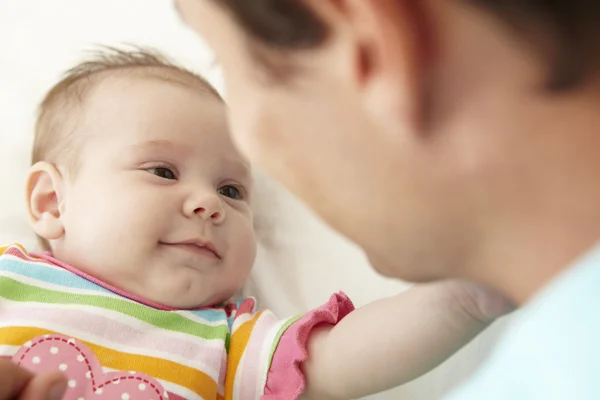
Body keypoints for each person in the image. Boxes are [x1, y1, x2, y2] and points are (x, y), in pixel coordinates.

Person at [0, 47, 510, 400]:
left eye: (231, 191)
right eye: (162, 171)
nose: (209, 204)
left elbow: (343, 359)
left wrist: (464, 296)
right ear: (51, 202)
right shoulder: (11, 283)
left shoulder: (223, 340)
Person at [169, 0, 600, 399]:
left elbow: (326, 358)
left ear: (372, 48)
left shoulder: (226, 342)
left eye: (226, 63)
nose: (208, 203)